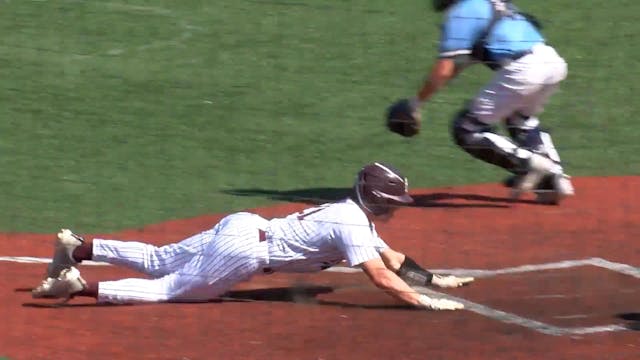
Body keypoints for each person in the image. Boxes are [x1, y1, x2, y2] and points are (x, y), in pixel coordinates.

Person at [32, 162, 474, 310]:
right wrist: (423, 302)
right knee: (171, 289)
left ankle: (78, 246)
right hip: (244, 250)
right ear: (377, 201)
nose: (398, 209)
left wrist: (436, 281)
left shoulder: (351, 216)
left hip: (242, 225)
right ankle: (79, 285)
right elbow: (381, 276)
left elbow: (394, 259)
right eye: (394, 202)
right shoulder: (352, 224)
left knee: (160, 259)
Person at [393, 0, 574, 204]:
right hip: (552, 62)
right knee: (520, 118)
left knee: (466, 129)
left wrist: (415, 104)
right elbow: (459, 63)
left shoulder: (461, 12)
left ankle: (530, 164)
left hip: (524, 70)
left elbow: (444, 68)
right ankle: (555, 179)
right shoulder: (490, 3)